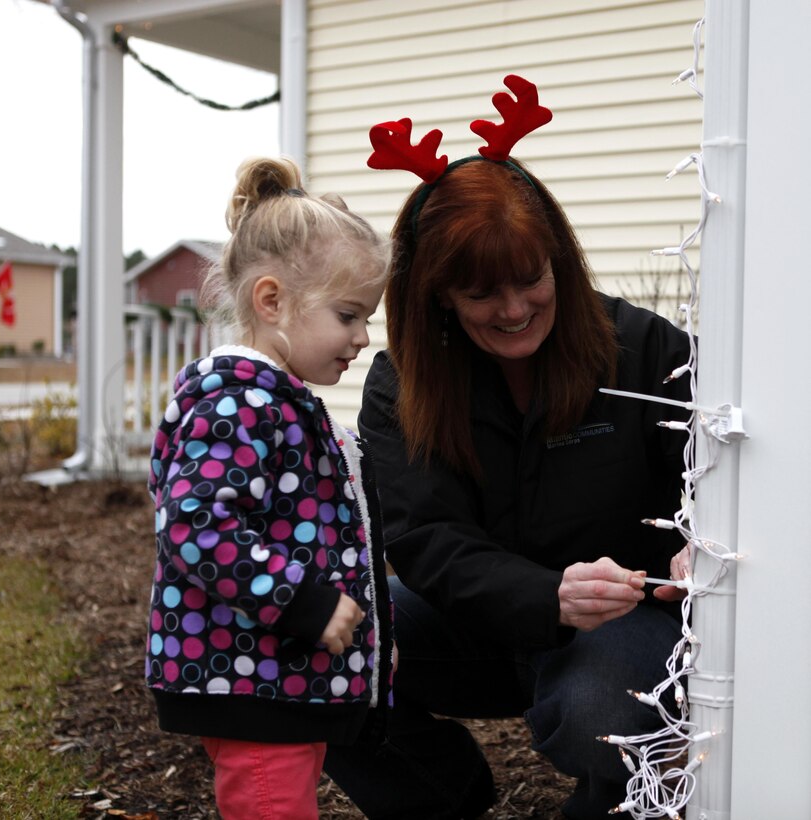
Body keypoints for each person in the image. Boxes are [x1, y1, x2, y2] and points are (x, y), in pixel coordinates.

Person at [323, 76, 693, 819]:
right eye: (483, 294)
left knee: (603, 714)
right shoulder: (402, 384)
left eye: (530, 280)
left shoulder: (645, 348)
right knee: (319, 660)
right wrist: (546, 595)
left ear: (558, 257)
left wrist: (700, 545)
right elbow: (424, 538)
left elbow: (712, 480)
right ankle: (443, 799)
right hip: (473, 625)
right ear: (436, 294)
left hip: (631, 626)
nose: (516, 308)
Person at [144, 157, 394, 820]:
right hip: (248, 676)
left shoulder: (278, 402)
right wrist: (300, 602)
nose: (362, 338)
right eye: (348, 315)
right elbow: (193, 524)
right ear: (272, 300)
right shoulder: (238, 404)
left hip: (276, 677)